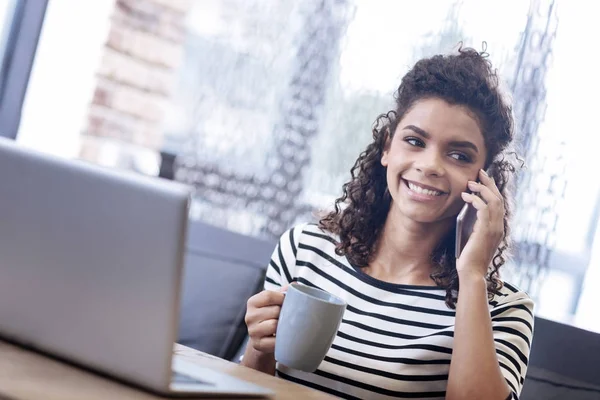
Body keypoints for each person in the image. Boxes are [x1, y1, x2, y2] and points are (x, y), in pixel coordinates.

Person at [242, 46, 534, 400]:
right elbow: (250, 389)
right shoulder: (304, 250)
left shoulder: (503, 309)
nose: (430, 166)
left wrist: (472, 276)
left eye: (459, 155)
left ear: (485, 180)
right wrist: (259, 348)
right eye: (415, 141)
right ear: (387, 147)